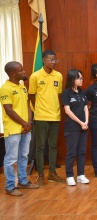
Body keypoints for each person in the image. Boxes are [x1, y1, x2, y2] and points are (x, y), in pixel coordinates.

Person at [0, 62, 39, 196]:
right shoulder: (5, 88)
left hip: (25, 128)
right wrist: (24, 123)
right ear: (12, 74)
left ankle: (23, 181)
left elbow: (28, 106)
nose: (24, 72)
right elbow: (8, 110)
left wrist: (28, 122)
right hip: (13, 130)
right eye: (21, 70)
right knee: (11, 158)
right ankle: (10, 186)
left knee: (23, 156)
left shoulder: (22, 87)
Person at [29, 50, 65, 186]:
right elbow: (31, 96)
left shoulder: (59, 75)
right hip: (41, 116)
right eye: (51, 60)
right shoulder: (35, 76)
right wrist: (36, 110)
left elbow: (59, 95)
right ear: (44, 60)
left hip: (55, 116)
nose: (53, 62)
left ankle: (52, 173)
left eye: (55, 60)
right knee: (40, 146)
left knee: (53, 146)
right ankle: (40, 175)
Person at [62, 69, 89, 186]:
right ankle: (69, 176)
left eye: (82, 78)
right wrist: (80, 122)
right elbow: (67, 111)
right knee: (71, 152)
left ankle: (81, 175)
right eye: (79, 78)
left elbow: (85, 107)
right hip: (72, 127)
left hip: (84, 126)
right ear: (73, 79)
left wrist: (86, 121)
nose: (81, 80)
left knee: (82, 151)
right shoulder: (66, 93)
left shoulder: (82, 92)